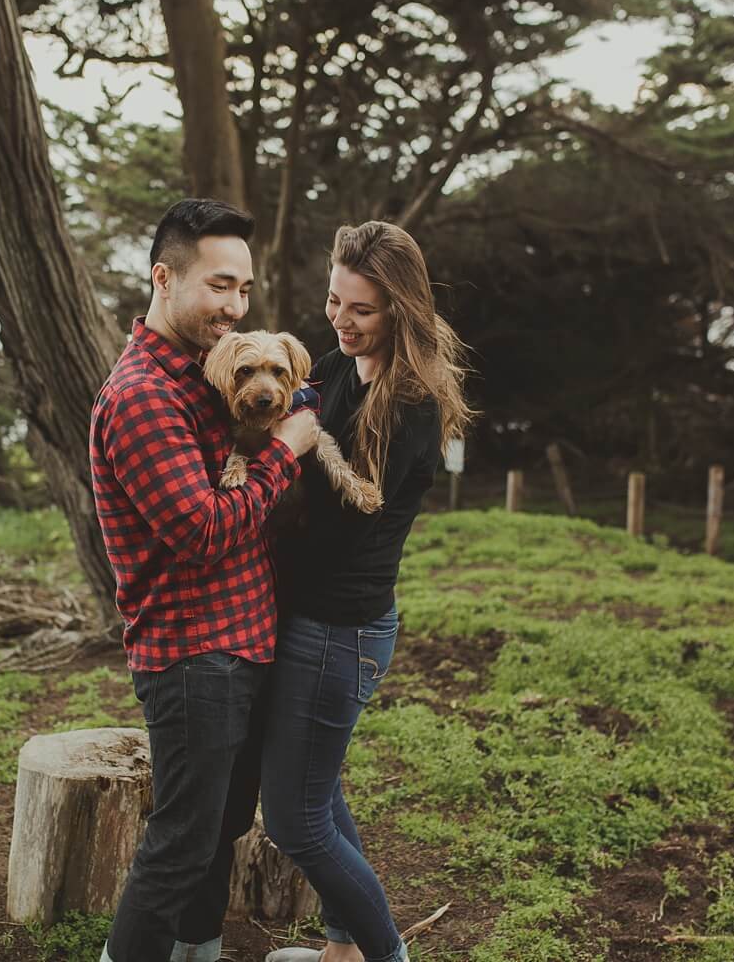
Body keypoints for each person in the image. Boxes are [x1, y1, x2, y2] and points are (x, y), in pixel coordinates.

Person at [89, 198, 320, 962]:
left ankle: (199, 954)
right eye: (219, 285)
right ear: (164, 278)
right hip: (194, 657)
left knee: (220, 828)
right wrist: (287, 448)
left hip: (242, 644)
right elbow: (201, 531)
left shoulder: (207, 377)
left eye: (244, 289)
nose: (235, 305)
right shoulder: (143, 395)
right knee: (183, 841)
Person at [262, 222, 473, 962]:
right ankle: (344, 949)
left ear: (402, 310)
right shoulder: (339, 364)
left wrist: (263, 491)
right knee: (315, 793)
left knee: (293, 819)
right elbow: (294, 412)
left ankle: (385, 957)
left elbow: (336, 529)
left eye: (362, 310)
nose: (341, 322)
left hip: (339, 630)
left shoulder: (410, 403)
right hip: (315, 620)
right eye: (333, 300)